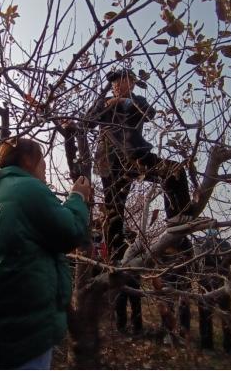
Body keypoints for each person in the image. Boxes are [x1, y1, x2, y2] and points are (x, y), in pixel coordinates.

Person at [0, 138, 91, 369]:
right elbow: (70, 232)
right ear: (28, 161)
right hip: (27, 321)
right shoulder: (27, 188)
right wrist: (78, 197)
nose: (46, 174)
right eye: (44, 166)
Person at [84, 68, 212, 260]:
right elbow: (86, 123)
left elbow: (149, 113)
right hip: (109, 162)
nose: (120, 85)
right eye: (116, 82)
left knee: (173, 171)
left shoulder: (137, 100)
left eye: (126, 81)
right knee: (114, 212)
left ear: (133, 83)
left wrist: (123, 101)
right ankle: (115, 259)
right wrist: (106, 102)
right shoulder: (103, 102)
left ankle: (178, 216)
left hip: (135, 157)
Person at [194, 229, 231, 353]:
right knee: (206, 314)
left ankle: (227, 347)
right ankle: (208, 346)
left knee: (225, 315)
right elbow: (196, 261)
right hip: (207, 283)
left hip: (221, 284)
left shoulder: (224, 243)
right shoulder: (200, 243)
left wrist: (230, 255)